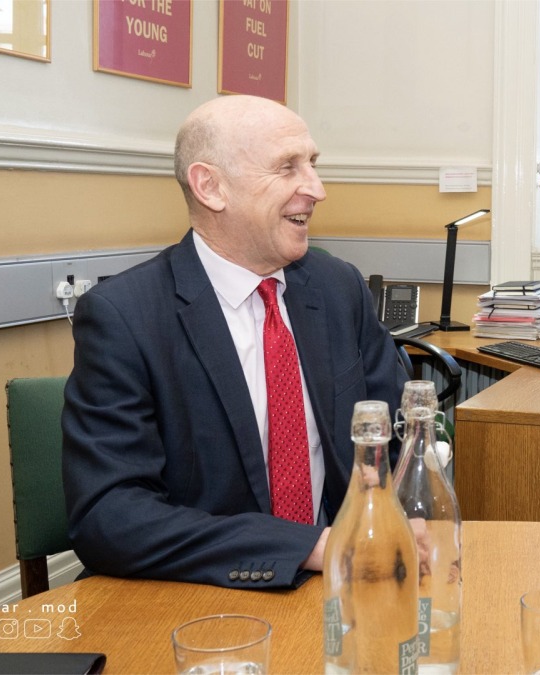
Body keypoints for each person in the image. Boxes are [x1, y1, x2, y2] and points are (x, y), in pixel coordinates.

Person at [62, 95, 408, 589]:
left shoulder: (338, 287)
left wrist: (404, 522)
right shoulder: (125, 317)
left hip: (348, 583)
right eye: (287, 167)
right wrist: (312, 547)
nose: (317, 189)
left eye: (312, 164)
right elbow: (110, 516)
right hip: (202, 595)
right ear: (211, 187)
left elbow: (397, 439)